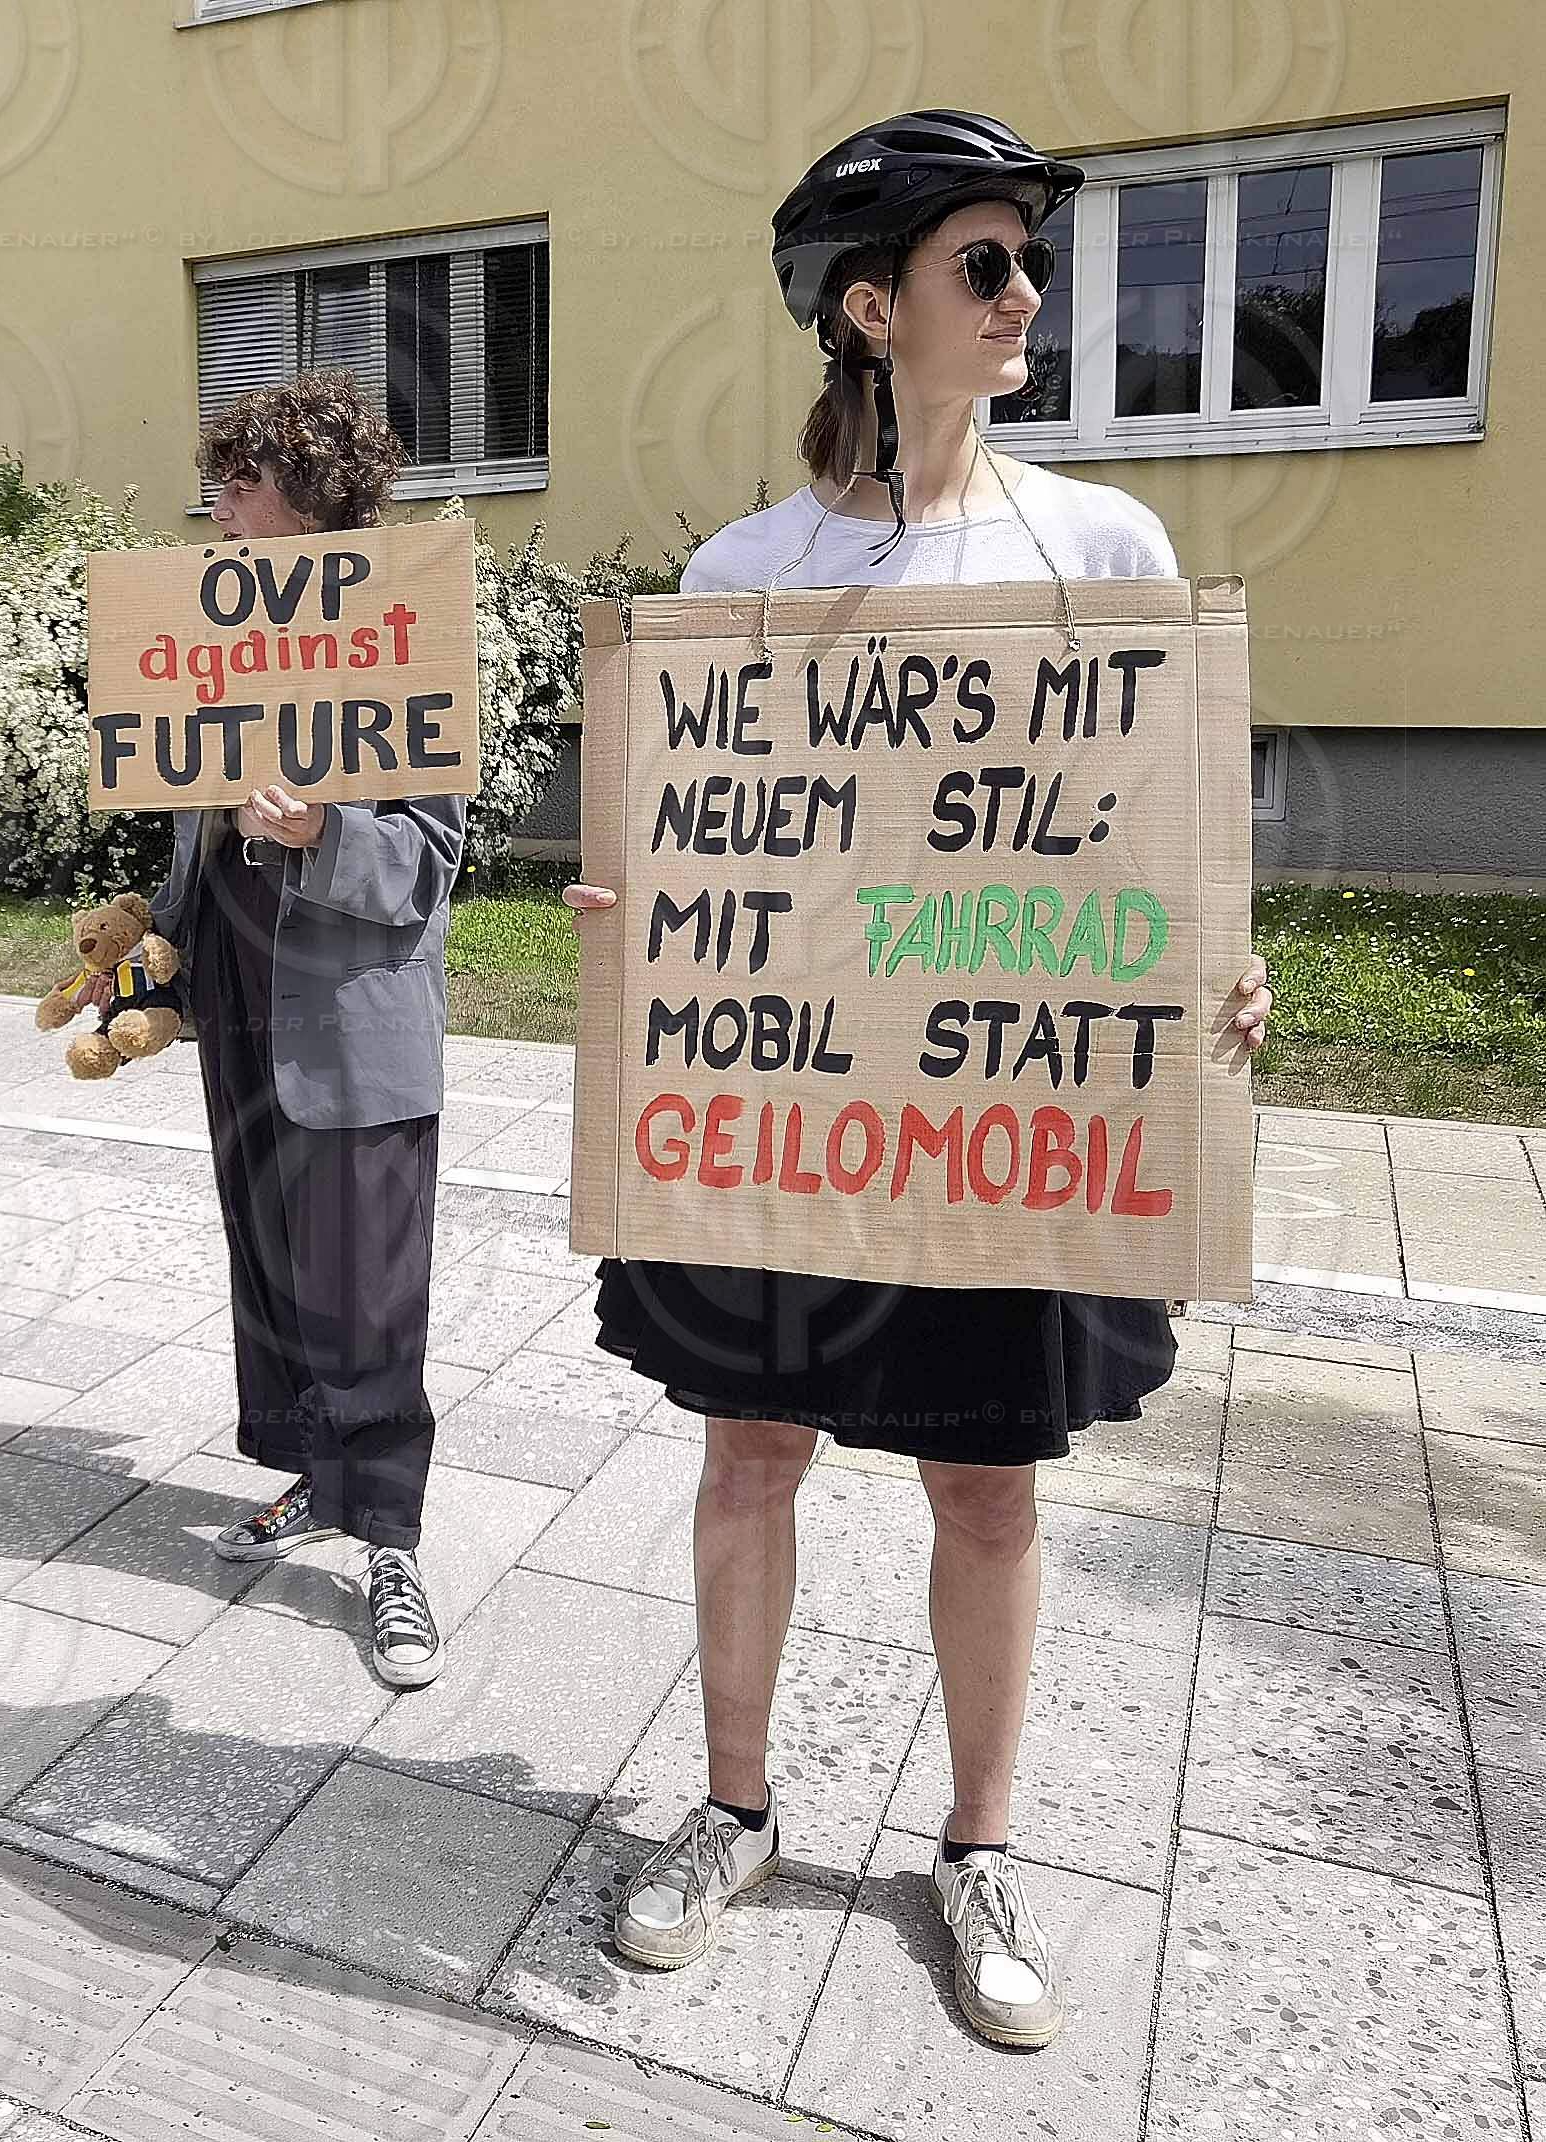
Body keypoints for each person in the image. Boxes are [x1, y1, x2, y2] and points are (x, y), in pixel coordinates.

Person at [563, 113, 1275, 2048]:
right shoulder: (746, 566)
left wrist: (1218, 964)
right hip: (794, 1106)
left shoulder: (1097, 544)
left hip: (992, 1111)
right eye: (985, 265)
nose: (1023, 295)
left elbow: (1164, 831)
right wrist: (634, 909)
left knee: (982, 1485)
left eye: (1028, 265)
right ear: (870, 309)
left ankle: (975, 1847)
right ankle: (731, 1813)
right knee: (746, 1451)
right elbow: (693, 836)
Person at [134, 370, 467, 1689]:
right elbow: (182, 808)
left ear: (307, 500)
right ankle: (313, 1482)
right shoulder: (202, 630)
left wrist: (321, 826)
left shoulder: (406, 636)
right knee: (272, 1270)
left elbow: (427, 868)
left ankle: (388, 1537)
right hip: (237, 1000)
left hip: (353, 1022)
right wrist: (153, 947)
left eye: (238, 485)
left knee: (368, 1293)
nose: (216, 507)